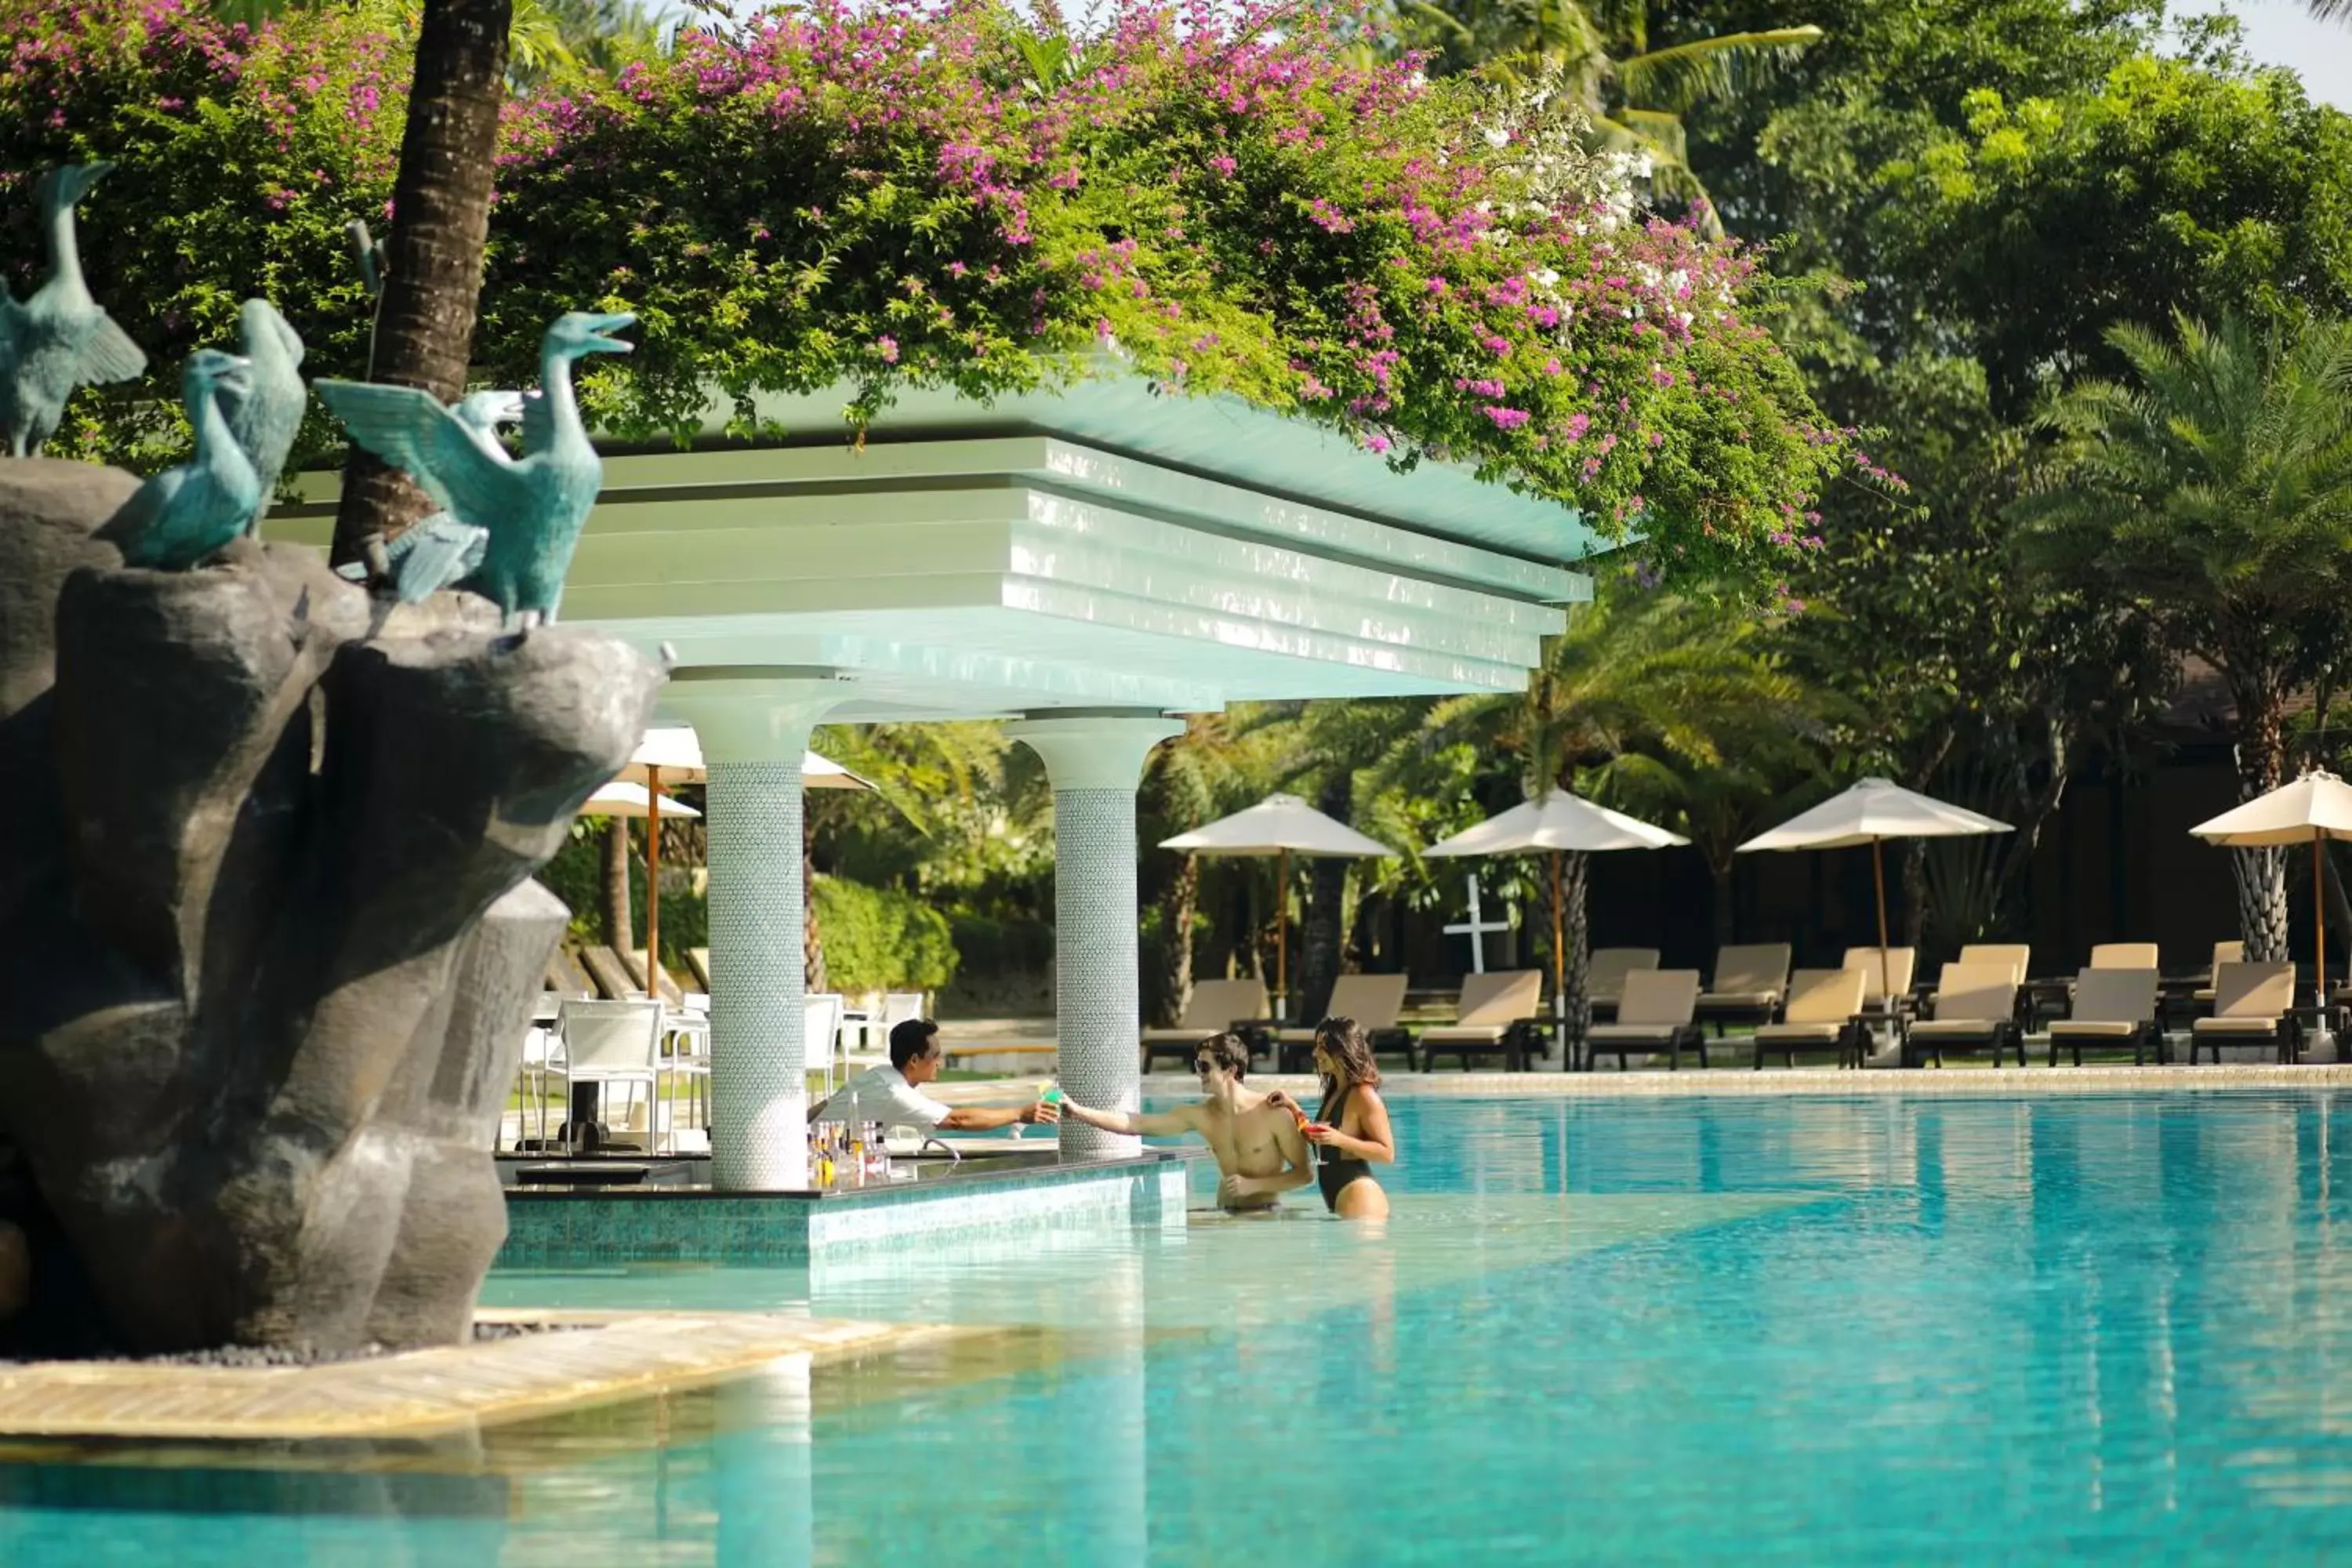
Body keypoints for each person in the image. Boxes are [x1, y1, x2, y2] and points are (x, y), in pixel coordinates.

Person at [1060, 1033, 1313, 1211]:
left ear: (1231, 1070)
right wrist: (1078, 1112)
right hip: (1223, 1212)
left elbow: (1304, 1175)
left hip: (1264, 1215)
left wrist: (1254, 1186)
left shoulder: (1273, 1114)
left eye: (1204, 1067)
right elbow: (1136, 1124)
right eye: (1197, 1066)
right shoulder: (1200, 1115)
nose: (1198, 1073)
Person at [813, 1018, 1059, 1134]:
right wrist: (1019, 1113)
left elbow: (826, 1104)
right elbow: (957, 1121)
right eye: (935, 1056)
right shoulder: (896, 1094)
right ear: (914, 1060)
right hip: (824, 1159)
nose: (939, 1063)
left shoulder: (878, 1074)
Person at [1266, 1016, 1394, 1219]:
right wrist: (1293, 1108)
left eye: (1322, 1047)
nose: (1315, 1053)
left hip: (1359, 1194)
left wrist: (1340, 1139)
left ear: (1343, 1050)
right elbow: (1320, 1139)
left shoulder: (1364, 1095)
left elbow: (1387, 1153)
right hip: (1338, 1195)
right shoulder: (1336, 1091)